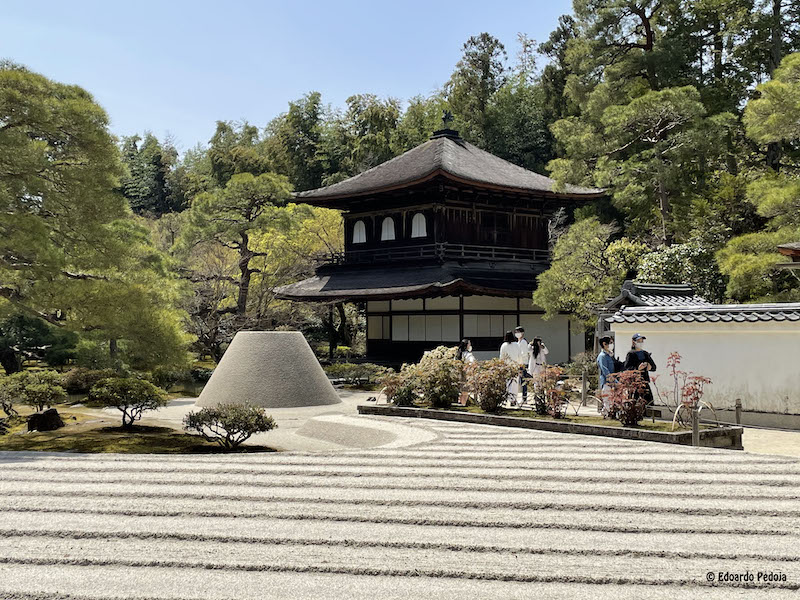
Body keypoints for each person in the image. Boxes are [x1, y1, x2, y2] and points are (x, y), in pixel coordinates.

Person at [623, 333, 656, 406]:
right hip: (635, 382)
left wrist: (649, 367)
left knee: (649, 401)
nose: (640, 343)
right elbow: (627, 368)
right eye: (638, 341)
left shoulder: (645, 354)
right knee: (634, 402)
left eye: (641, 341)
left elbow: (654, 367)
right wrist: (637, 369)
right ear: (633, 342)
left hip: (645, 381)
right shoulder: (631, 354)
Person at [596, 336, 616, 416]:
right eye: (610, 343)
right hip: (606, 383)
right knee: (607, 402)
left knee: (611, 402)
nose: (612, 345)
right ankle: (606, 415)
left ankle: (607, 415)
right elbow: (605, 371)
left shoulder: (610, 355)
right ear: (604, 344)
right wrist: (615, 381)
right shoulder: (602, 356)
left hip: (612, 383)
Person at [499, 331, 521, 406]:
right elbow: (520, 356)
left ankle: (508, 398)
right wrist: (520, 365)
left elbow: (501, 357)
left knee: (508, 383)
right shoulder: (516, 345)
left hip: (507, 366)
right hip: (515, 366)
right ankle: (513, 399)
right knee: (515, 383)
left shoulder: (504, 345)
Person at [514, 326, 531, 404]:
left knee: (523, 382)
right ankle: (522, 398)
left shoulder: (523, 342)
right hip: (519, 363)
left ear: (522, 333)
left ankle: (524, 398)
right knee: (520, 382)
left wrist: (519, 360)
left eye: (519, 332)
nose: (517, 334)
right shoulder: (518, 342)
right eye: (516, 332)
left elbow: (524, 354)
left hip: (523, 363)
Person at [457, 338, 475, 405]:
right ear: (467, 345)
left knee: (461, 392)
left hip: (459, 374)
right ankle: (463, 404)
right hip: (465, 374)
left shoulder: (458, 354)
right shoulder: (468, 354)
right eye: (469, 344)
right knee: (465, 392)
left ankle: (460, 403)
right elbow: (472, 363)